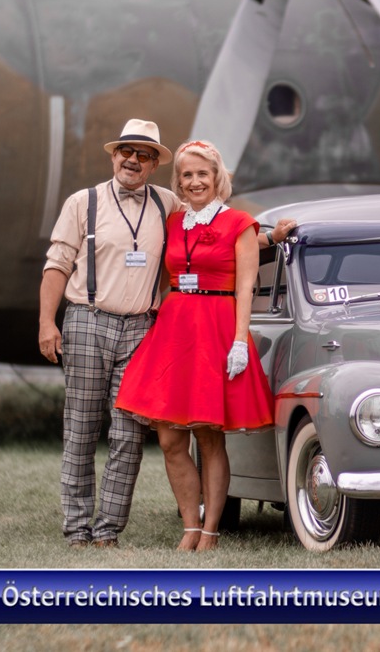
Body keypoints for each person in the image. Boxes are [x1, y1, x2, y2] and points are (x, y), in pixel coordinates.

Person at [115, 139, 275, 552]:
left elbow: (245, 288)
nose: (195, 181)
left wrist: (240, 341)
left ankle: (210, 531)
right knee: (169, 439)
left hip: (217, 328)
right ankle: (190, 523)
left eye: (203, 173)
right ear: (179, 182)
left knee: (208, 437)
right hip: (175, 328)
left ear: (217, 178)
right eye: (187, 175)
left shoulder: (240, 223)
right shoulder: (172, 223)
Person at [38, 118, 177, 548]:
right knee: (80, 428)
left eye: (144, 155)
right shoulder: (84, 202)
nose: (133, 160)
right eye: (126, 152)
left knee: (129, 433)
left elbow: (215, 227)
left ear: (154, 164)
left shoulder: (168, 204)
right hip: (86, 318)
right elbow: (57, 264)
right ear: (114, 155)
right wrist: (46, 322)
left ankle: (107, 530)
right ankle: (77, 528)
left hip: (141, 328)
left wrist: (267, 236)